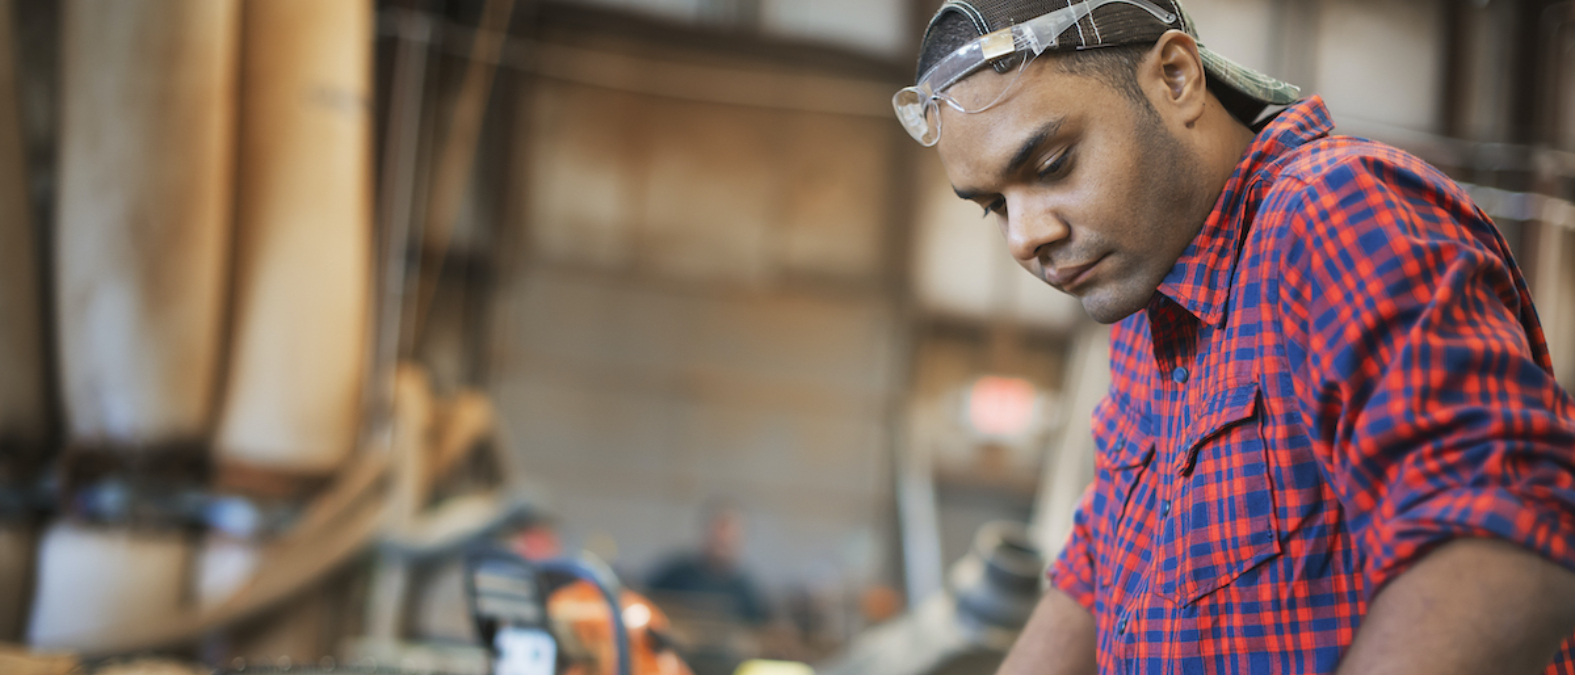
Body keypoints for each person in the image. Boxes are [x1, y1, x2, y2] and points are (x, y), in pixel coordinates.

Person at [894, 1, 1575, 673]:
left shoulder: (1330, 211)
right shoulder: (1148, 311)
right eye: (994, 206)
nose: (1024, 237)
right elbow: (1095, 569)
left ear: (1175, 78)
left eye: (1051, 166)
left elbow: (1507, 530)